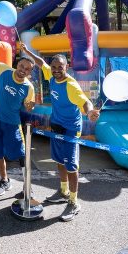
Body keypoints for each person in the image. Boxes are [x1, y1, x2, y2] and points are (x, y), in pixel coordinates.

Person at [21, 44, 100, 221]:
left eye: (60, 67)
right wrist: (27, 52)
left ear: (67, 67)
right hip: (56, 124)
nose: (56, 70)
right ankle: (63, 191)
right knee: (58, 160)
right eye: (54, 67)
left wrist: (89, 112)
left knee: (71, 165)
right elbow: (42, 64)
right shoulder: (51, 75)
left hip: (71, 129)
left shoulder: (71, 85)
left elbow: (85, 101)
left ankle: (73, 201)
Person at [0, 33, 35, 197]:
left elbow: (28, 106)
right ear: (16, 65)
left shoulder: (28, 87)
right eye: (22, 66)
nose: (23, 71)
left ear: (29, 72)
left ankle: (27, 186)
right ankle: (4, 181)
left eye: (27, 69)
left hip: (12, 124)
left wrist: (30, 106)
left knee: (20, 155)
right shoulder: (4, 70)